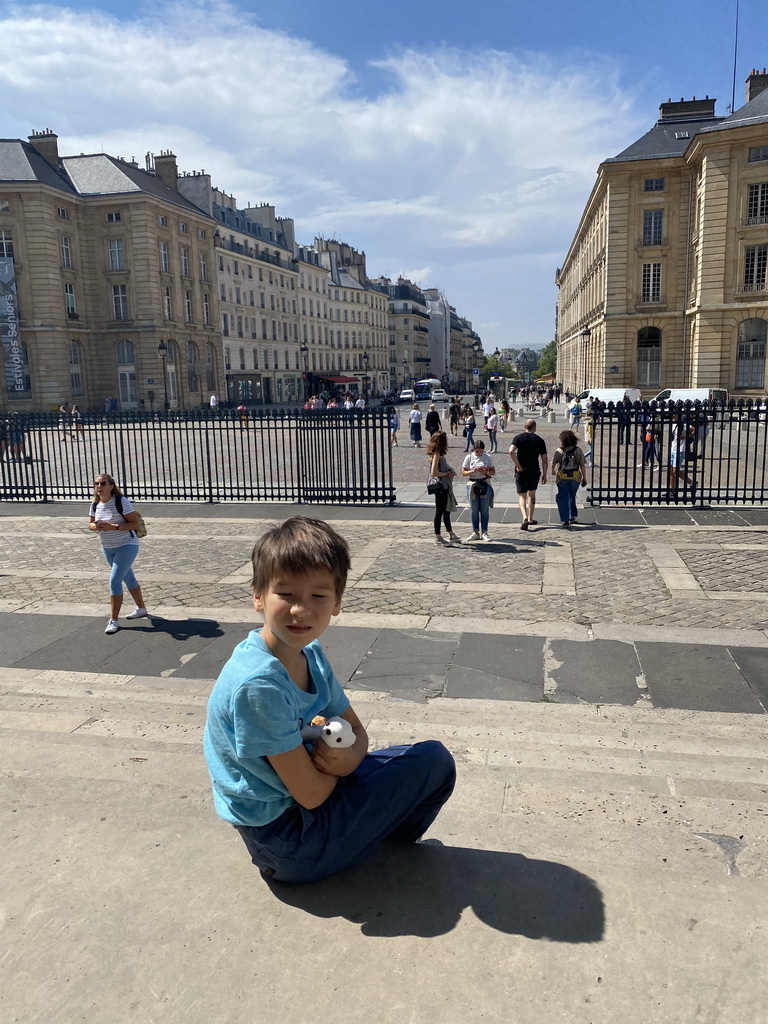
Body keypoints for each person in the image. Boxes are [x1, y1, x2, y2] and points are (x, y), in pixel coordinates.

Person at [203, 517, 456, 884]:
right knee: (435, 763)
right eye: (286, 594)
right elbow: (311, 794)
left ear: (336, 602)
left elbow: (357, 732)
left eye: (317, 596)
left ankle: (369, 831)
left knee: (427, 758)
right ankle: (373, 834)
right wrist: (344, 764)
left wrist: (350, 758)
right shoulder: (259, 684)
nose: (300, 610)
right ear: (258, 596)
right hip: (288, 842)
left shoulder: (311, 653)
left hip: (308, 799)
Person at [88, 473, 149, 635]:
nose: (99, 487)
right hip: (107, 547)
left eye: (102, 483)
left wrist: (112, 526)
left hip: (127, 545)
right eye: (96, 484)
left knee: (114, 580)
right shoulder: (95, 504)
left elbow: (133, 524)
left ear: (111, 486)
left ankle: (113, 619)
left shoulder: (121, 502)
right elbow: (90, 524)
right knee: (127, 577)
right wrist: (96, 526)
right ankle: (141, 608)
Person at [509, 418, 548, 530]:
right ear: (535, 427)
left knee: (522, 495)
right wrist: (545, 474)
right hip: (534, 470)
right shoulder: (539, 440)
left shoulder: (518, 438)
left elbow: (511, 451)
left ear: (524, 427)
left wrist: (518, 465)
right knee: (532, 494)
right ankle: (531, 518)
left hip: (521, 471)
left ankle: (524, 516)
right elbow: (544, 459)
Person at [427, 431, 460, 546]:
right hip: (441, 486)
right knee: (440, 511)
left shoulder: (438, 454)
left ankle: (451, 533)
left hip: (445, 486)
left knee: (446, 510)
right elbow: (434, 473)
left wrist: (449, 471)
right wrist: (446, 473)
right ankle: (438, 536)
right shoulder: (436, 454)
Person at [551, 429, 588, 528]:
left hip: (562, 477)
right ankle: (572, 516)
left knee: (563, 497)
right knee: (572, 495)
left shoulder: (559, 451)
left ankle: (565, 518)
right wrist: (584, 478)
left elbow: (554, 463)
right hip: (575, 477)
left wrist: (552, 471)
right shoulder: (578, 450)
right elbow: (582, 466)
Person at [462, 439, 495, 542]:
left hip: (484, 483)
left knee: (484, 509)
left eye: (481, 451)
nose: (479, 453)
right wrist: (472, 471)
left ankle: (484, 531)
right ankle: (475, 531)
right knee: (474, 509)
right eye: (477, 451)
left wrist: (484, 470)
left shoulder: (487, 457)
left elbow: (493, 472)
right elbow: (463, 472)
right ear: (474, 450)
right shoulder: (469, 457)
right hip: (472, 484)